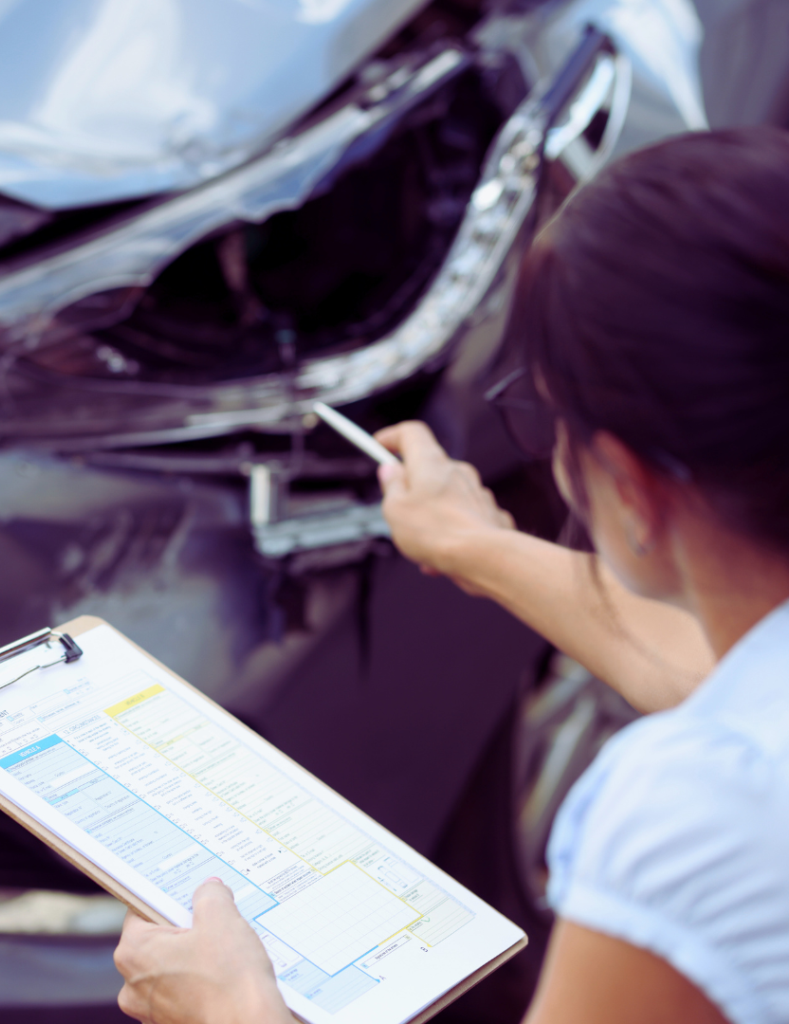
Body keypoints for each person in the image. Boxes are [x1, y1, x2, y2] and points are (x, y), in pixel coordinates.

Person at [113, 126, 789, 1024]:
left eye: (550, 424)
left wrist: (233, 1009)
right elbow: (732, 683)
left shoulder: (692, 815)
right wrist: (474, 544)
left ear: (627, 487)